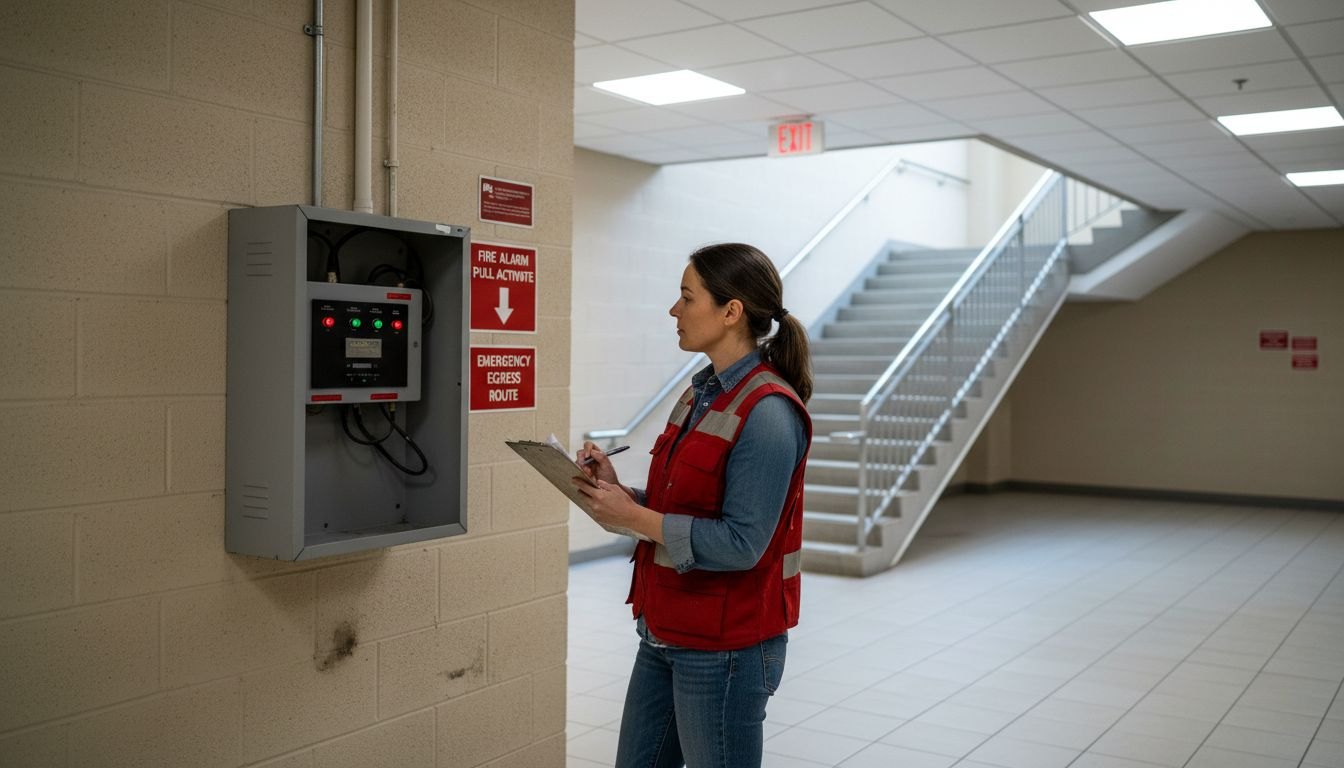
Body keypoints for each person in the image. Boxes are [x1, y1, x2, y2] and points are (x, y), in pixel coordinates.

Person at [573, 242, 813, 768]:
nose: (673, 310)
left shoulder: (769, 411)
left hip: (725, 648)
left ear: (732, 312)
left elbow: (743, 543)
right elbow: (678, 505)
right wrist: (620, 493)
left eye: (686, 297)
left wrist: (634, 517)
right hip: (664, 627)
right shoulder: (701, 392)